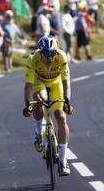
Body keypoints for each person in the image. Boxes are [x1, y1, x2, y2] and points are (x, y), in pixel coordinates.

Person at [23, 35, 74, 176]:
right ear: (40, 52)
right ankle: (38, 134)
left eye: (52, 53)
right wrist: (28, 104)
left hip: (57, 83)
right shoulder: (32, 58)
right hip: (40, 82)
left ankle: (63, 160)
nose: (50, 57)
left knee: (61, 118)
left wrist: (67, 101)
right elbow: (28, 85)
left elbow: (66, 82)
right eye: (46, 53)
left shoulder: (62, 56)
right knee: (40, 101)